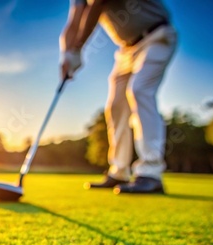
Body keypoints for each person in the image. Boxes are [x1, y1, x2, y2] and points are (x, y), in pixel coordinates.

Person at [60, 0, 177, 194]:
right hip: (126, 50)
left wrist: (78, 48)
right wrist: (66, 55)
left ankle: (151, 172)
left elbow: (98, 3)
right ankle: (119, 171)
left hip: (156, 35)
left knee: (139, 91)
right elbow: (74, 21)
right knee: (115, 106)